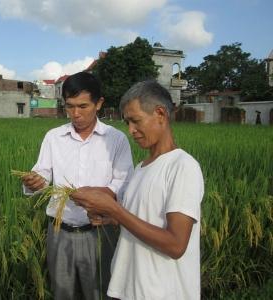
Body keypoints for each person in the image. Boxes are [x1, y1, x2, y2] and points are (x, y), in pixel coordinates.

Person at [72, 80, 204, 300]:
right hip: (130, 287)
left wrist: (115, 210)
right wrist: (110, 218)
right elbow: (142, 217)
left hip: (161, 293)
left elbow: (176, 244)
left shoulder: (182, 166)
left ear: (160, 113)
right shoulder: (141, 168)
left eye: (136, 121)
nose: (131, 130)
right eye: (127, 123)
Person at [20, 71, 134, 300]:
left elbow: (125, 182)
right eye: (69, 106)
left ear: (99, 103)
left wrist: (99, 195)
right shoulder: (54, 137)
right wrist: (35, 182)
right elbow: (42, 174)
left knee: (100, 291)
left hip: (100, 231)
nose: (76, 114)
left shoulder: (116, 139)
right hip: (59, 231)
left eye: (83, 106)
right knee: (63, 292)